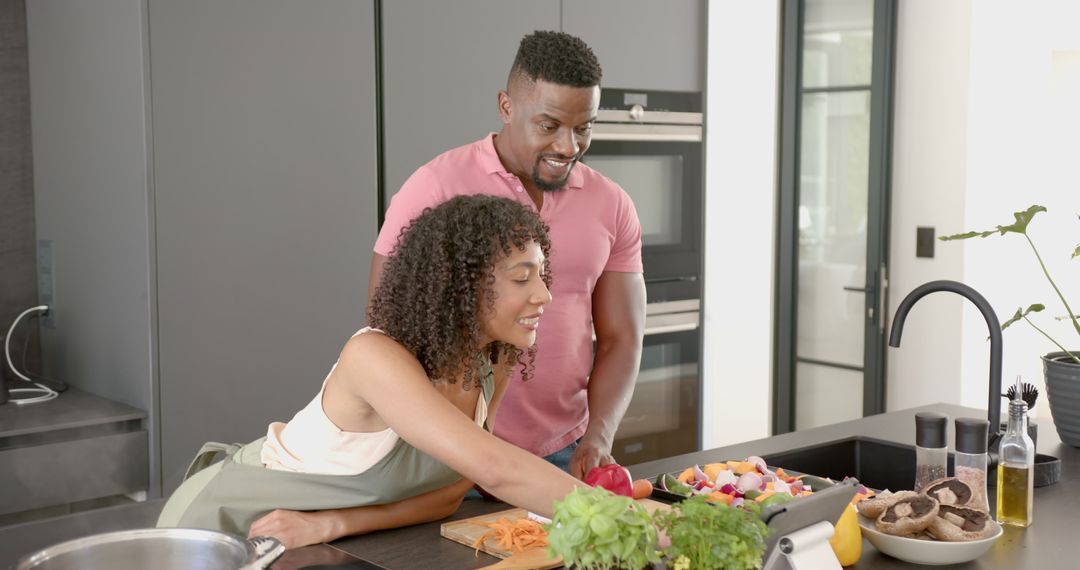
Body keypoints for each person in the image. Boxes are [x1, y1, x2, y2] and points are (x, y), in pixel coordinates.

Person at [157, 195, 582, 548]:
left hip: (307, 538)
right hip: (228, 520)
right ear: (462, 286)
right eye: (522, 278)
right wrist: (633, 518)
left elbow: (448, 496)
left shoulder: (492, 360)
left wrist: (334, 523)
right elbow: (497, 470)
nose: (544, 295)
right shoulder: (373, 357)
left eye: (541, 276)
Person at [371, 30, 647, 481]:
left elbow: (622, 337)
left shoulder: (612, 204)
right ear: (506, 107)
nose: (568, 146)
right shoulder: (435, 187)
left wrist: (598, 435)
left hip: (563, 452)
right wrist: (452, 439)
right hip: (447, 453)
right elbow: (385, 326)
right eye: (549, 125)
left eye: (584, 127)